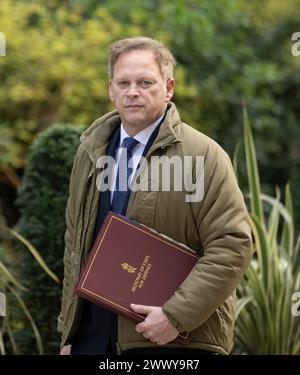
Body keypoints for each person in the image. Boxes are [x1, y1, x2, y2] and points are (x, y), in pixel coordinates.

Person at [58, 36, 252, 355]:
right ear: (111, 89)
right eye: (124, 82)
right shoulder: (88, 153)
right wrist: (69, 333)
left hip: (169, 339)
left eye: (145, 82)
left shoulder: (204, 155)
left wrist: (176, 316)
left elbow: (233, 244)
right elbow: (74, 244)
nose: (133, 91)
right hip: (91, 340)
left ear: (169, 87)